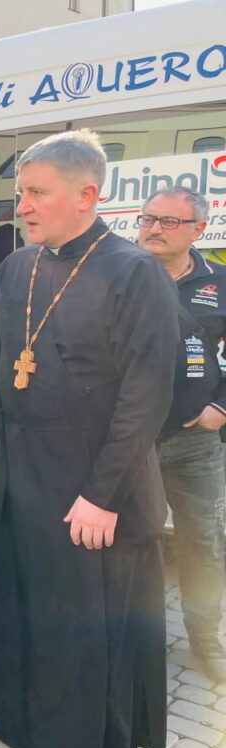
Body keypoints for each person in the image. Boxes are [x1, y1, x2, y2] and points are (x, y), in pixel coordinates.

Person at [0, 129, 178, 748]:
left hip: (95, 485)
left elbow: (145, 400)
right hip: (24, 474)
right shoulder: (16, 266)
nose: (21, 205)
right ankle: (21, 724)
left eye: (36, 193)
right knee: (24, 609)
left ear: (87, 194)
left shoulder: (134, 272)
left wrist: (100, 495)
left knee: (86, 629)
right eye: (20, 192)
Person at [139, 187, 226, 682]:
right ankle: (135, 636)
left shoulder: (221, 281)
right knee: (132, 541)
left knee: (203, 542)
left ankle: (205, 638)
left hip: (195, 441)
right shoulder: (117, 273)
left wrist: (222, 407)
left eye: (170, 221)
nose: (154, 227)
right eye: (149, 217)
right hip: (130, 439)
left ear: (198, 230)